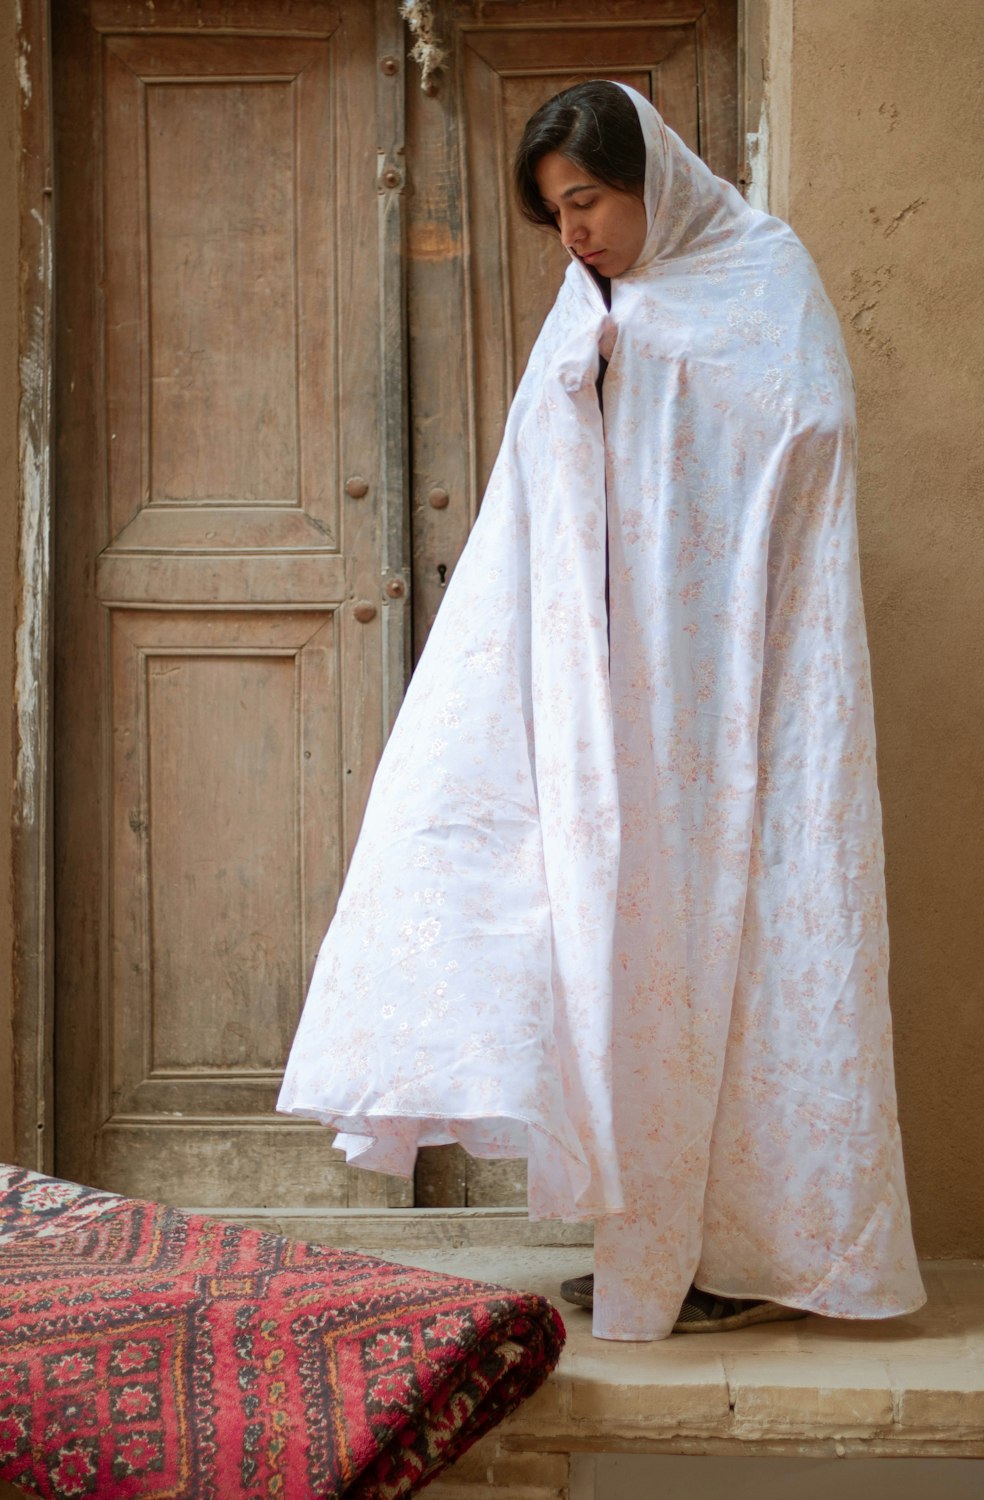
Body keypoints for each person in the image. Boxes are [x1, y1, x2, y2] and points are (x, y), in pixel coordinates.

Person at [279, 81, 926, 1341]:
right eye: (555, 214)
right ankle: (656, 1244)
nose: (573, 233)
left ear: (651, 178)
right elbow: (546, 471)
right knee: (631, 948)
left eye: (587, 200)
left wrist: (659, 368)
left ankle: (761, 1246)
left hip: (744, 676)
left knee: (762, 950)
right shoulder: (596, 304)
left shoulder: (758, 270)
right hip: (623, 682)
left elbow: (814, 426)